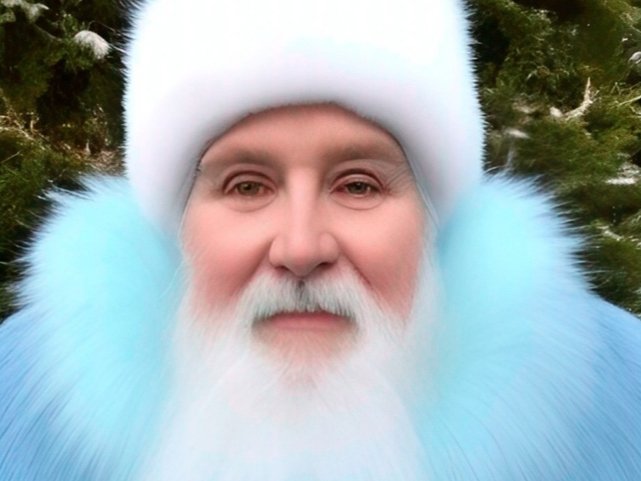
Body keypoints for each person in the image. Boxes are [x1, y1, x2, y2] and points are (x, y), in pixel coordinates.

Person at [1, 0, 640, 480]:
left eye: (358, 185)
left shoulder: (619, 400)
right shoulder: (22, 408)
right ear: (178, 228)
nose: (301, 248)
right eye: (247, 186)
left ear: (431, 225)